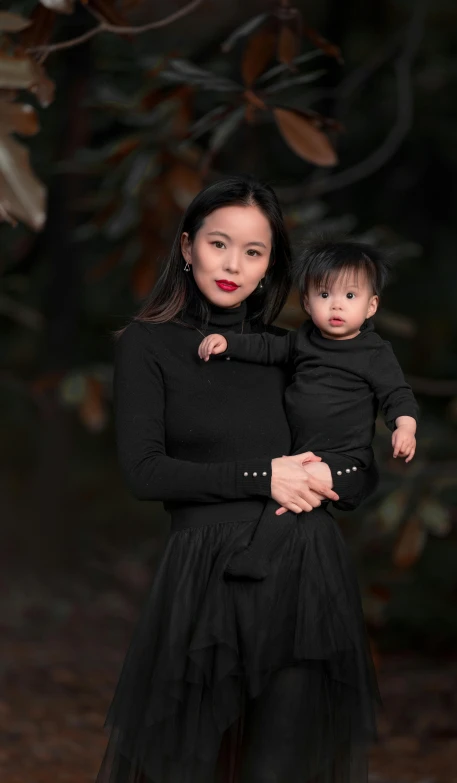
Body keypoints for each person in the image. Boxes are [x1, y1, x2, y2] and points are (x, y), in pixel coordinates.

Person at [96, 176, 380, 783]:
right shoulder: (148, 344)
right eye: (218, 244)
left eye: (253, 251)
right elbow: (145, 473)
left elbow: (358, 468)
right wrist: (264, 476)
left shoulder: (296, 350)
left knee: (277, 770)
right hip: (202, 576)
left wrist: (331, 472)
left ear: (270, 262)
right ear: (186, 246)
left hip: (302, 576)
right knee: (184, 768)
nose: (232, 265)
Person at [198, 240, 419, 581]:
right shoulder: (303, 339)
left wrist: (405, 428)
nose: (336, 306)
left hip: (347, 461)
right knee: (289, 487)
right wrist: (229, 344)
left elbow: (397, 394)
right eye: (325, 295)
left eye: (350, 296)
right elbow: (268, 347)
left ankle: (257, 558)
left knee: (300, 487)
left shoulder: (374, 352)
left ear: (371, 306)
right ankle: (272, 558)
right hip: (303, 454)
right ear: (306, 302)